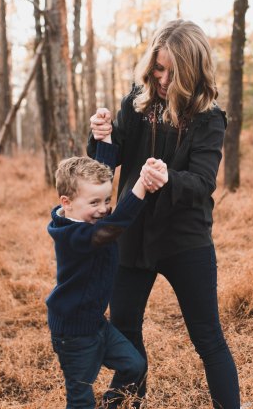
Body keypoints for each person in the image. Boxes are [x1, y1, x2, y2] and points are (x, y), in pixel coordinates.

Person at [88, 19, 240, 409]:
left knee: (208, 338)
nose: (164, 79)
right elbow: (108, 163)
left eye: (174, 71)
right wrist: (102, 137)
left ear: (194, 70)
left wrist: (168, 177)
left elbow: (203, 182)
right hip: (132, 233)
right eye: (158, 68)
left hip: (184, 238)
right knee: (124, 332)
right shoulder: (137, 102)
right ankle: (125, 402)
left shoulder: (209, 118)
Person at [46, 138, 164, 408]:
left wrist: (106, 142)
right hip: (74, 333)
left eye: (107, 200)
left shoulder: (85, 215)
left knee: (135, 365)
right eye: (95, 203)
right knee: (80, 398)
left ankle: (112, 403)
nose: (103, 208)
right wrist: (141, 186)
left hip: (97, 324)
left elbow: (100, 179)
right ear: (67, 202)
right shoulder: (73, 234)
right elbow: (115, 226)